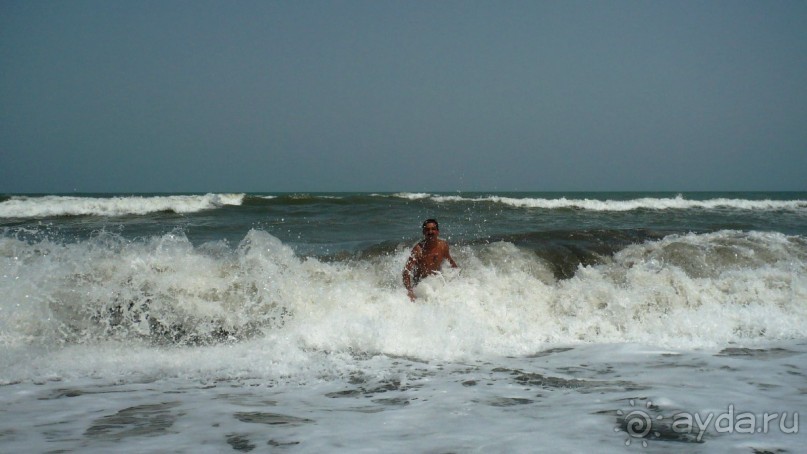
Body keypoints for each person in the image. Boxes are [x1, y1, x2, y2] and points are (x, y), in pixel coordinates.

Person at [402, 219, 458, 301]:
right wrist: (410, 291)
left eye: (433, 229)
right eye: (427, 230)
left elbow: (450, 262)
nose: (430, 232)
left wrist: (458, 278)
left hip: (436, 283)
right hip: (421, 286)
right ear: (423, 232)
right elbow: (406, 271)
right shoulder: (418, 250)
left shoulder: (443, 246)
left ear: (438, 231)